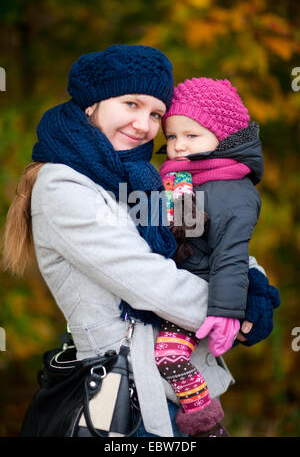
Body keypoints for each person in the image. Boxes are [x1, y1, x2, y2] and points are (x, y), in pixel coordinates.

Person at [2, 45, 276, 438]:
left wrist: (256, 284)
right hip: (126, 401)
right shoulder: (63, 185)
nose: (144, 125)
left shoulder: (143, 178)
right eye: (131, 103)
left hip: (173, 392)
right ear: (91, 104)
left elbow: (205, 246)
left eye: (155, 114)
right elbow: (150, 282)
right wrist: (233, 309)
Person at [154, 77, 280, 436]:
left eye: (191, 136)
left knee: (170, 356)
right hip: (183, 287)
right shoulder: (183, 179)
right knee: (167, 357)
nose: (178, 146)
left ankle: (208, 427)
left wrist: (225, 312)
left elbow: (230, 257)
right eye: (173, 136)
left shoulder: (230, 189)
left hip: (206, 293)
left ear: (222, 138)